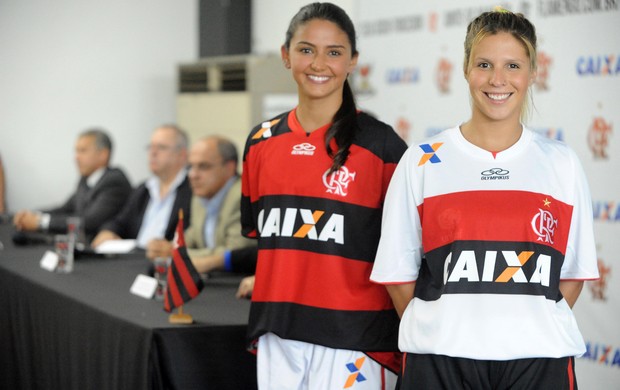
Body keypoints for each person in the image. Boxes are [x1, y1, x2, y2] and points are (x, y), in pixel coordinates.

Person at [371, 8, 599, 389]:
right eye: (484, 64)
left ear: (532, 73)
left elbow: (572, 275)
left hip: (537, 362)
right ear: (464, 68)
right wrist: (444, 330)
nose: (498, 80)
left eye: (512, 65)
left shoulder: (561, 163)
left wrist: (524, 329)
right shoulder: (424, 159)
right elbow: (398, 276)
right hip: (439, 363)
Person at [241, 3, 408, 388]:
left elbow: (406, 252)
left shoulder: (381, 146)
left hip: (355, 339)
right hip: (278, 333)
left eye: (334, 52)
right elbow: (266, 238)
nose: (319, 63)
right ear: (286, 56)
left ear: (353, 61)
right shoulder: (260, 142)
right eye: (306, 49)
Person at [146, 135, 254, 262]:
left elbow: (235, 252)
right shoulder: (201, 196)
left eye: (203, 166)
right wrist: (168, 246)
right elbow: (193, 236)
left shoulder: (243, 197)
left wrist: (176, 252)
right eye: (190, 166)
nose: (193, 175)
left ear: (229, 167)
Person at [13, 129, 131, 241]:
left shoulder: (114, 182)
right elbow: (66, 209)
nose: (76, 157)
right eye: (76, 151)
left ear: (103, 154)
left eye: (83, 151)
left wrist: (41, 222)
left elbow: (89, 223)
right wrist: (32, 215)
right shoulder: (86, 180)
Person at [91, 125, 192, 249]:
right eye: (150, 147)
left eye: (161, 147)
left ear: (181, 155)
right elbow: (120, 222)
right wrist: (108, 231)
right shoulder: (144, 189)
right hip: (135, 259)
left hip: (167, 262)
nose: (153, 153)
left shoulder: (193, 189)